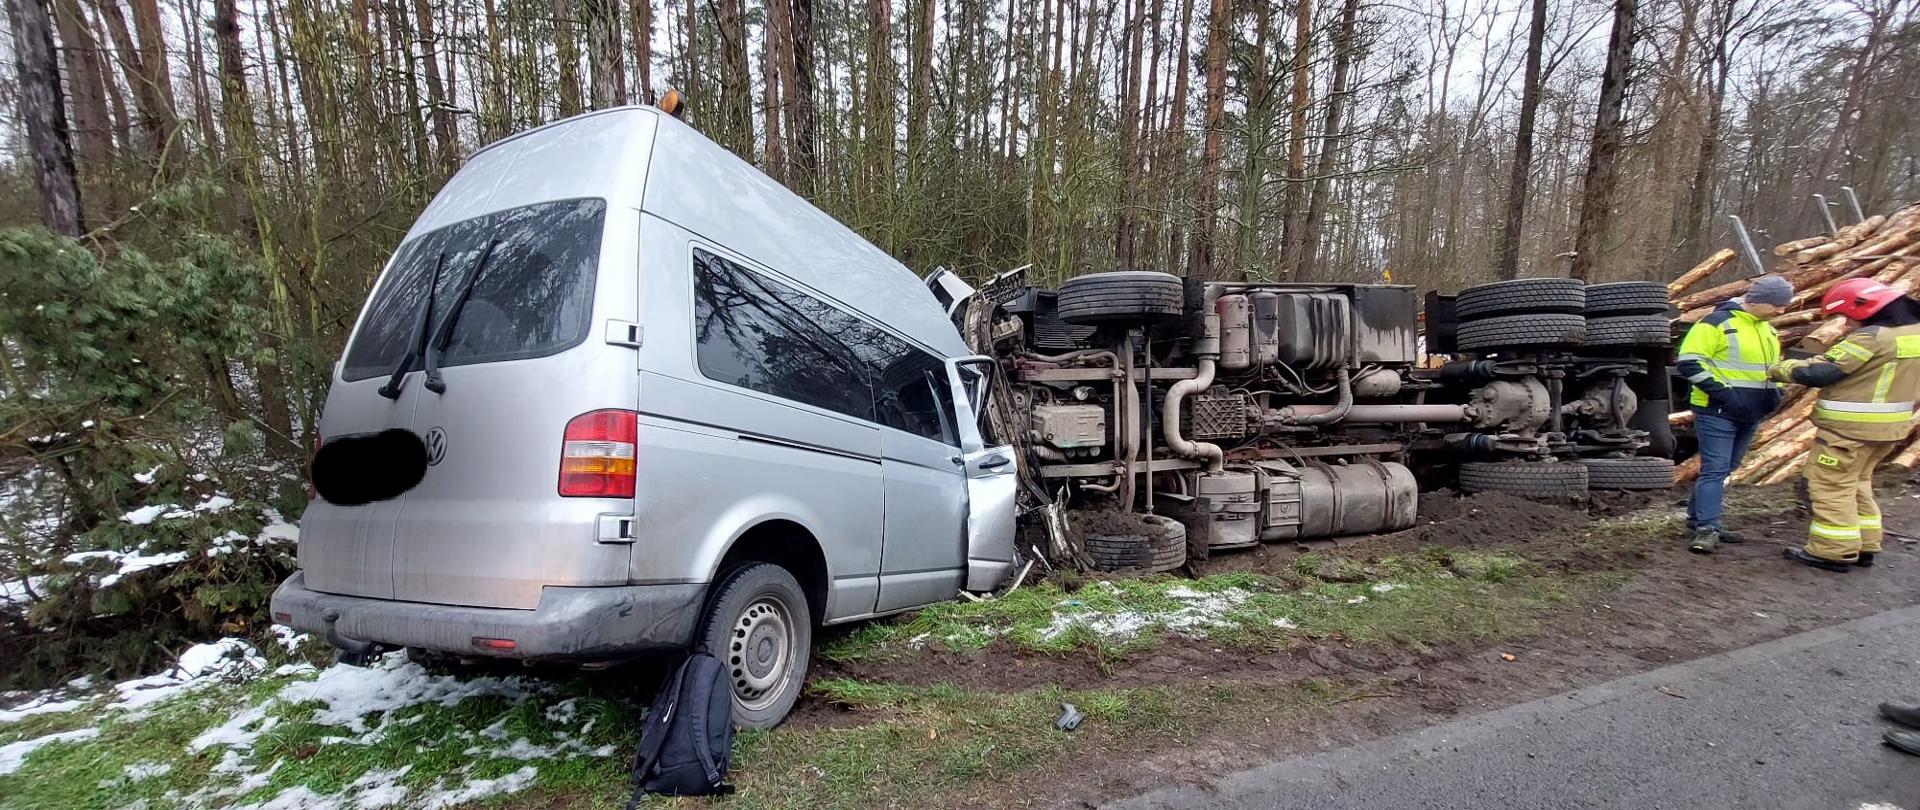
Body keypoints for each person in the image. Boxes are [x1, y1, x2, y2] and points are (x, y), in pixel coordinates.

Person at [1767, 278, 1920, 572]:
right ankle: (1865, 545)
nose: (1848, 325)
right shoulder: (1913, 333)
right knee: (1858, 484)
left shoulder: (1873, 338)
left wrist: (1779, 368)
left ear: (1865, 307)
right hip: (1890, 429)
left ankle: (1833, 551)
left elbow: (1823, 371)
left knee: (1828, 486)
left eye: (1848, 317)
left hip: (1849, 431)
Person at [1676, 274, 1791, 553]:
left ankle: (1697, 519)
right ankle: (1707, 527)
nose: (1782, 311)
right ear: (1758, 301)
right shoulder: (1716, 323)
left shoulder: (1767, 330)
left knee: (1728, 466)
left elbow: (1768, 370)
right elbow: (1689, 362)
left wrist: (1773, 395)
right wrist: (1727, 395)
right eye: (1777, 305)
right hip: (1717, 410)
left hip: (1750, 412)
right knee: (1715, 469)